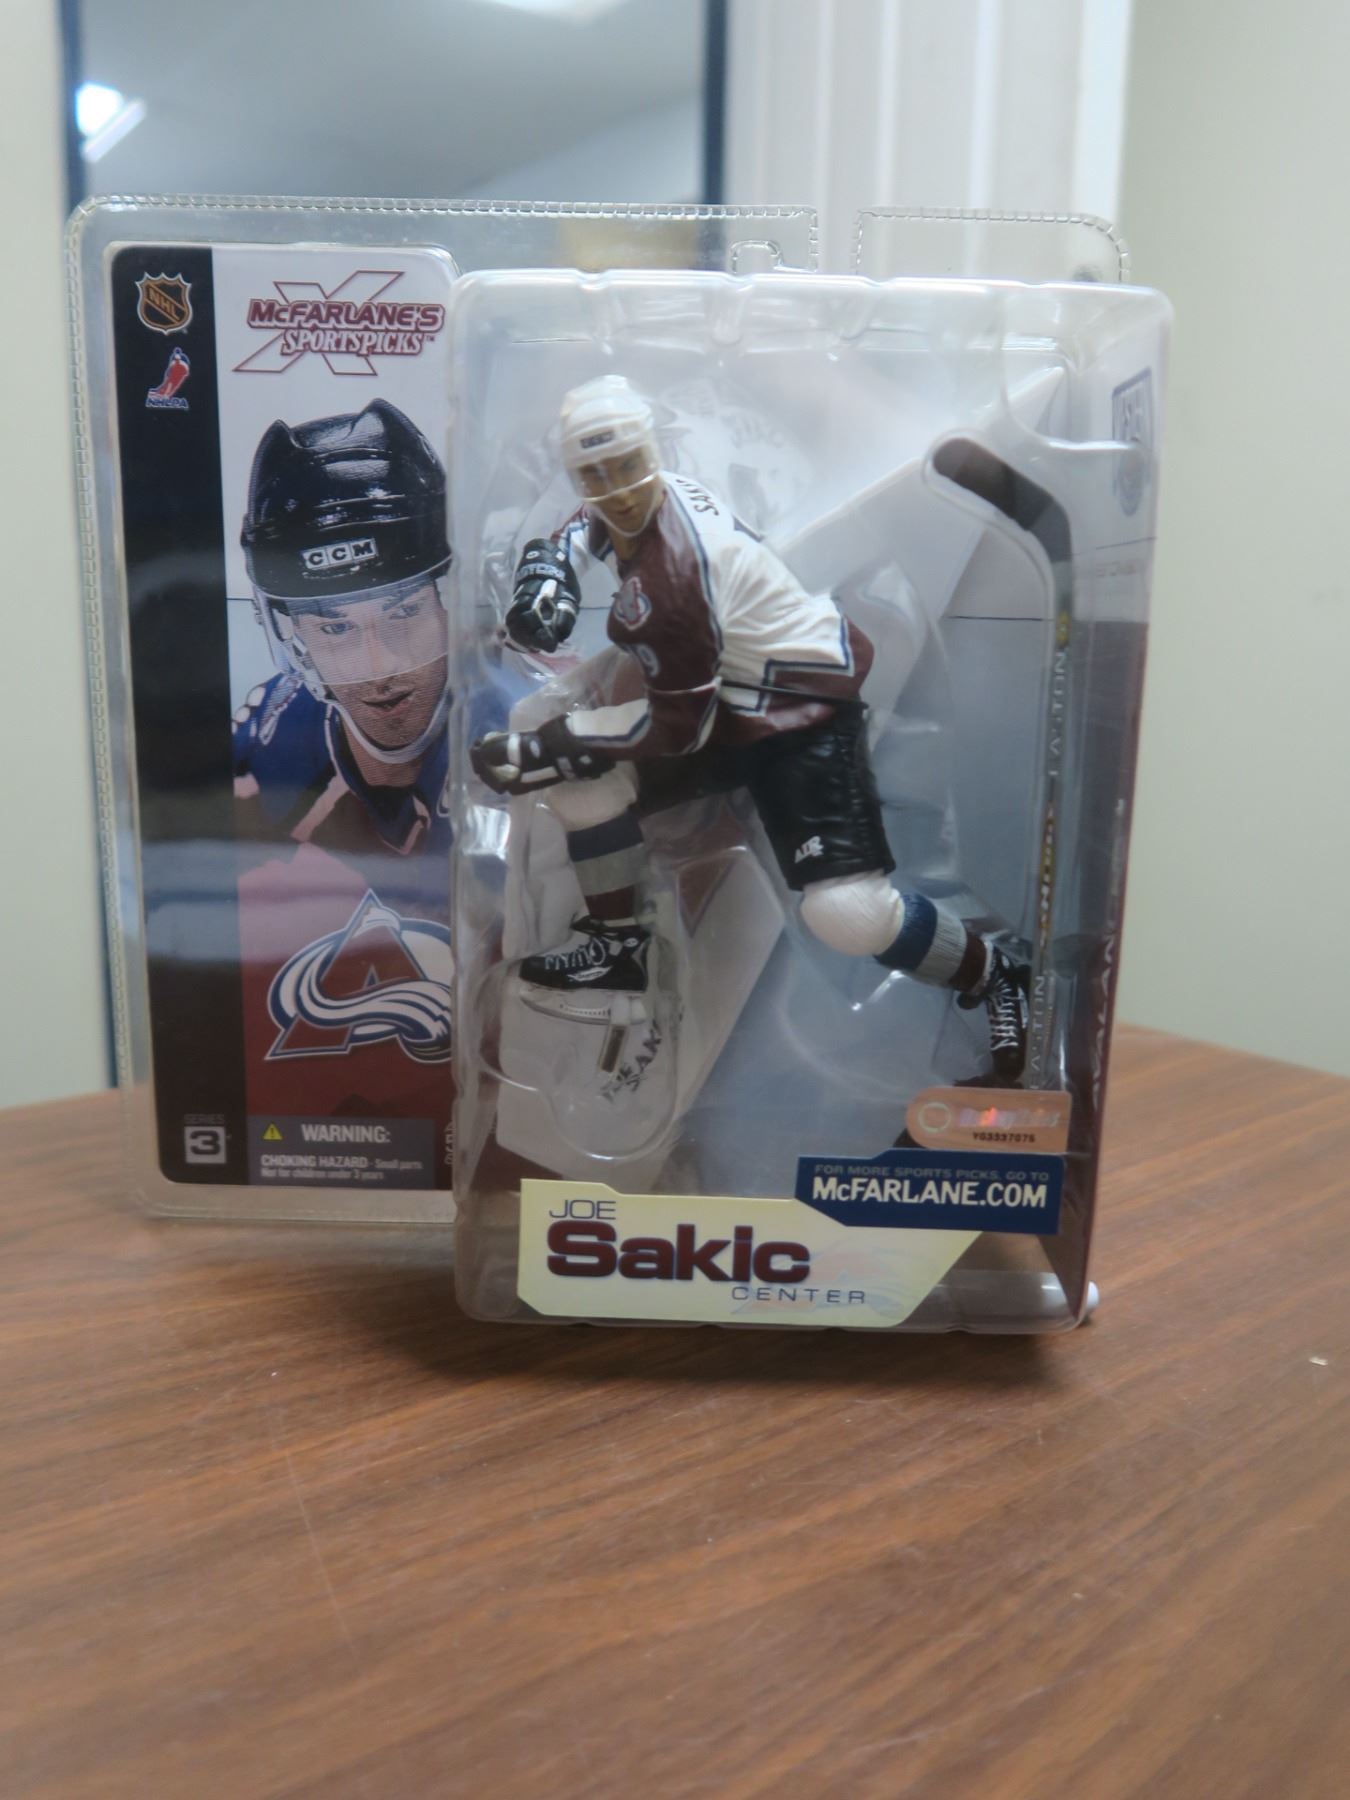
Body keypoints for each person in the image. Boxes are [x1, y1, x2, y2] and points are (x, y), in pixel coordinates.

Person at [471, 376, 1029, 1080]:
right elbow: (589, 524)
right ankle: (619, 950)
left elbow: (675, 726)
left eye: (626, 466)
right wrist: (547, 569)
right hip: (728, 697)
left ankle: (994, 972)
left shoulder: (677, 578)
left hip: (800, 713)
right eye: (596, 473)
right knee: (587, 791)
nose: (617, 489)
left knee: (849, 915)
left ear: (649, 453)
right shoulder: (656, 492)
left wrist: (552, 742)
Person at [233, 398, 451, 860]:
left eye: (404, 614)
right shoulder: (260, 751)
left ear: (447, 609)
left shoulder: (522, 724)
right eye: (335, 629)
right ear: (295, 635)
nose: (379, 667)